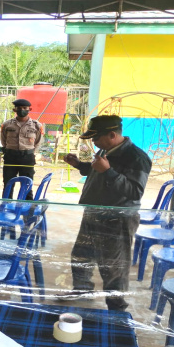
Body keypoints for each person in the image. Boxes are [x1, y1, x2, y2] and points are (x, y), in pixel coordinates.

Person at [61, 115, 151, 311]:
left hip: (117, 219)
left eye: (96, 137)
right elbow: (97, 171)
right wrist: (79, 165)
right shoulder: (106, 149)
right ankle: (82, 290)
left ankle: (116, 308)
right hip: (94, 213)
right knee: (81, 256)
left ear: (112, 135)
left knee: (113, 267)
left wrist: (108, 171)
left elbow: (135, 191)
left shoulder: (137, 157)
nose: (93, 141)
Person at [0, 98, 43, 200]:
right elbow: (3, 140)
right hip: (10, 157)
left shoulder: (36, 125)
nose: (22, 110)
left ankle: (27, 207)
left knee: (27, 183)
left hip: (27, 157)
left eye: (24, 108)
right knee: (8, 183)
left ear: (29, 109)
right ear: (14, 110)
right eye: (19, 108)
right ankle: (6, 205)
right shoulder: (7, 124)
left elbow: (38, 142)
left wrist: (29, 152)